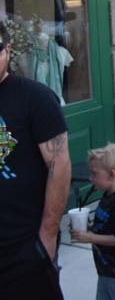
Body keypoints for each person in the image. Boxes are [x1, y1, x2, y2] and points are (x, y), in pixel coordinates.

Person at [0, 22, 70, 299]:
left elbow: (59, 165)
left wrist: (47, 237)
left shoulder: (35, 97)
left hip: (24, 244)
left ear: (8, 50)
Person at [70, 143, 115, 300]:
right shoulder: (109, 195)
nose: (90, 178)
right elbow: (108, 227)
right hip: (107, 271)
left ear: (112, 175)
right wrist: (88, 229)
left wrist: (90, 238)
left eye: (94, 174)